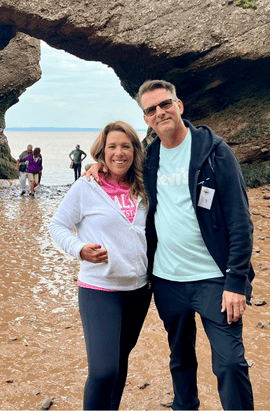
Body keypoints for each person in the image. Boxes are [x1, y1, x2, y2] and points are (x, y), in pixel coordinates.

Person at [86, 80, 255, 410]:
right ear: (146, 118)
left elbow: (240, 220)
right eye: (151, 109)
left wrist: (237, 281)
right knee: (180, 359)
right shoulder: (148, 159)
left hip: (215, 279)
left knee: (230, 364)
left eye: (165, 104)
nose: (160, 112)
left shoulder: (215, 152)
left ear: (179, 106)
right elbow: (120, 174)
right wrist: (98, 167)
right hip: (167, 280)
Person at [50, 121, 151, 411]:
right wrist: (79, 249)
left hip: (139, 291)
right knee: (103, 370)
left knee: (119, 364)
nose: (119, 153)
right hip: (100, 289)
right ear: (101, 152)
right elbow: (57, 225)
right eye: (112, 147)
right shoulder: (87, 186)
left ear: (135, 150)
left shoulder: (144, 185)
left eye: (126, 146)